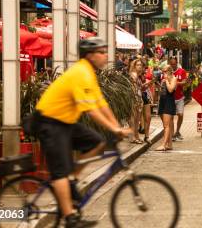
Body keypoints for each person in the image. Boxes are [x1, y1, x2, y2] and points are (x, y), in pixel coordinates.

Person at [33, 38, 130, 227]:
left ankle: (72, 178)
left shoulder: (89, 73)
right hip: (49, 122)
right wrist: (114, 129)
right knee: (60, 172)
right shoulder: (80, 72)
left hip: (66, 122)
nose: (105, 56)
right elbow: (90, 110)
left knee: (97, 142)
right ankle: (70, 217)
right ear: (91, 56)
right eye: (102, 52)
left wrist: (116, 125)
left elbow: (100, 103)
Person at [155, 65, 177, 151]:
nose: (163, 73)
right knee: (166, 124)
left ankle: (164, 145)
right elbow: (161, 91)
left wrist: (167, 80)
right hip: (163, 102)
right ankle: (170, 144)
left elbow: (171, 90)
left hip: (169, 102)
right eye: (163, 71)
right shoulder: (163, 79)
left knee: (166, 125)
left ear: (170, 71)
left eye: (165, 71)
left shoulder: (173, 79)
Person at [169, 57, 187, 142]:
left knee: (180, 114)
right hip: (171, 97)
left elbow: (184, 82)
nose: (172, 65)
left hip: (179, 97)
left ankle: (177, 131)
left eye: (174, 64)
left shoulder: (181, 71)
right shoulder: (168, 72)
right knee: (171, 116)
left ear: (177, 63)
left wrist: (176, 82)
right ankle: (172, 134)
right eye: (171, 64)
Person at [128, 59, 146, 144]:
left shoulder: (137, 76)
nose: (140, 66)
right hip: (134, 99)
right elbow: (133, 89)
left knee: (137, 119)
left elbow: (140, 87)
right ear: (134, 66)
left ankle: (136, 136)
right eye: (138, 65)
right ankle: (133, 138)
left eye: (141, 65)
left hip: (138, 98)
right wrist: (136, 99)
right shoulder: (134, 75)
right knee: (134, 119)